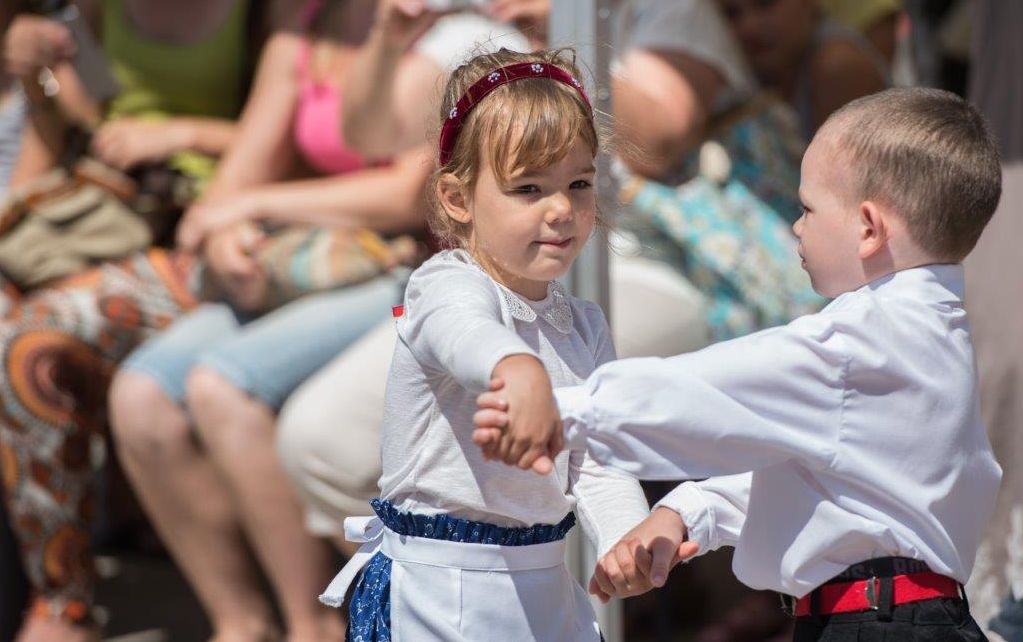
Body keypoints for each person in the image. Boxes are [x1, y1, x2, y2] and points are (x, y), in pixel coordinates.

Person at [475, 87, 1003, 641]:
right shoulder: (932, 334)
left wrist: (559, 413)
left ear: (868, 229)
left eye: (806, 209)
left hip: (878, 627)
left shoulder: (858, 343)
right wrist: (690, 511)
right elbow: (832, 482)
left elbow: (709, 390)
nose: (796, 227)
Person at [106, 1, 430, 640]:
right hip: (315, 262)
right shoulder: (303, 21)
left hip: (411, 265)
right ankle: (241, 621)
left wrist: (252, 205)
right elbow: (242, 170)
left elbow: (406, 197)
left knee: (224, 387)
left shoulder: (436, 23)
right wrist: (226, 225)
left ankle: (313, 623)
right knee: (141, 395)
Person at [317, 48, 648, 641]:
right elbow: (464, 334)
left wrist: (628, 535)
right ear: (457, 199)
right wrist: (515, 366)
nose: (561, 210)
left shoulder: (585, 325)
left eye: (578, 183)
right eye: (528, 188)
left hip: (545, 593)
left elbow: (600, 462)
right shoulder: (444, 284)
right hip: (441, 595)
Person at [0, 1, 265, 640]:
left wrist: (181, 133)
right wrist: (41, 77)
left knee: (29, 348)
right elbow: (67, 139)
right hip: (97, 220)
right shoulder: (99, 9)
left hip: (209, 226)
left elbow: (309, 134)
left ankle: (62, 602)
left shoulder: (266, 16)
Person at [717, 0, 889, 141]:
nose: (750, 26)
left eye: (766, 4)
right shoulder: (755, 69)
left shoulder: (837, 66)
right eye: (732, 13)